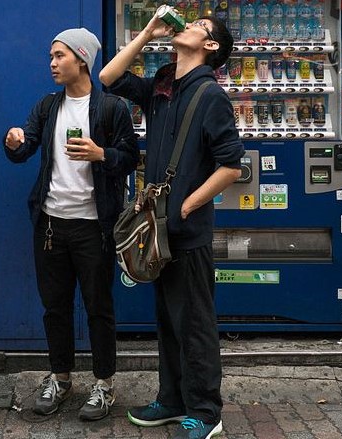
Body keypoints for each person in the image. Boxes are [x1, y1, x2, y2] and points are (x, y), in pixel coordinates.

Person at [99, 13, 244, 439]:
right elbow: (109, 76)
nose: (188, 24)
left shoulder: (210, 95)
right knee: (167, 318)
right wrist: (147, 33)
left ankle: (205, 411)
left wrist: (187, 205)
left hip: (187, 229)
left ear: (211, 45)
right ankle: (172, 398)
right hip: (158, 229)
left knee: (194, 322)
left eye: (199, 24)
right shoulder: (162, 87)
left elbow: (231, 166)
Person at [4, 28, 139, 421]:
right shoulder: (48, 107)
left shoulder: (111, 108)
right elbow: (25, 146)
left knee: (99, 308)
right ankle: (60, 378)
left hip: (94, 226)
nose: (52, 63)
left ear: (81, 59)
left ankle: (104, 384)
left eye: (59, 56)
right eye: (51, 56)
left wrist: (101, 154)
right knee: (55, 307)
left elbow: (130, 158)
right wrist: (13, 141)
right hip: (50, 224)